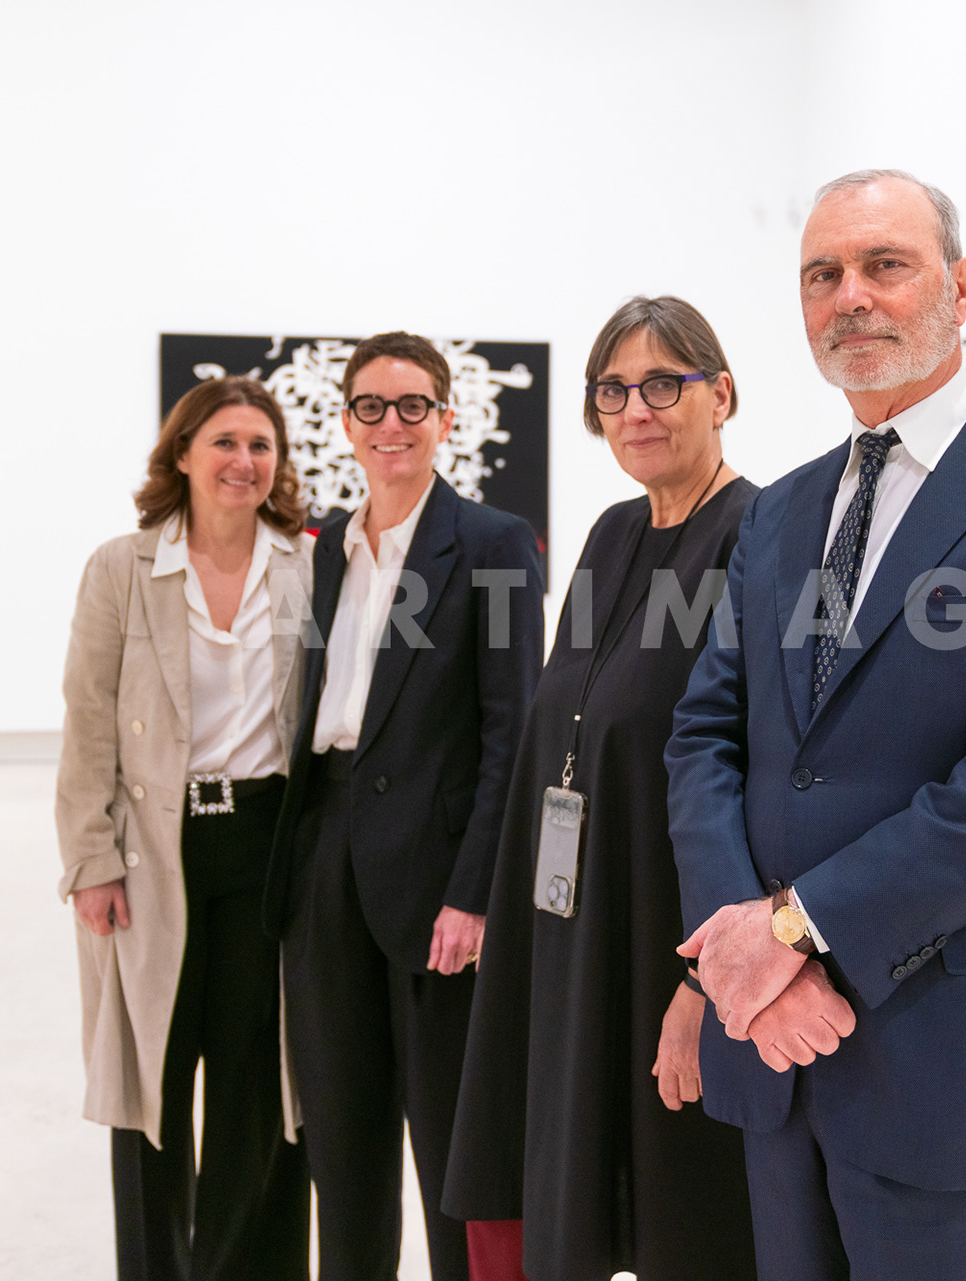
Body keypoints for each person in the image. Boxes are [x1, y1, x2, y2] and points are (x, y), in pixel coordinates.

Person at [666, 170, 966, 1280]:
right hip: (773, 1048)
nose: (851, 296)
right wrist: (742, 955)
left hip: (943, 1050)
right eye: (822, 274)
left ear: (960, 287)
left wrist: (794, 933)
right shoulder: (779, 511)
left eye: (886, 265)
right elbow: (705, 737)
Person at [446, 297, 760, 1280]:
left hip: (672, 925)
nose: (636, 410)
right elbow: (568, 725)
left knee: (683, 1209)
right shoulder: (612, 534)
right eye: (613, 390)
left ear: (721, 394)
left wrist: (701, 982)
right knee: (568, 1194)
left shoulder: (757, 535)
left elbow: (759, 779)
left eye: (664, 383)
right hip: (575, 923)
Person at [262, 331, 544, 1281]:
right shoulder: (329, 547)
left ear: (445, 420)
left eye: (414, 405)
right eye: (373, 407)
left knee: (450, 1153)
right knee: (341, 1147)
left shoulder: (494, 542)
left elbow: (513, 733)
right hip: (325, 854)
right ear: (346, 423)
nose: (393, 424)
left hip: (434, 877)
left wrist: (476, 894)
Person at [55, 376, 313, 1281]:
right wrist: (89, 858)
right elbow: (88, 719)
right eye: (225, 442)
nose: (244, 461)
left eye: (261, 445)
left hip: (267, 846)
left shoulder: (305, 567)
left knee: (257, 1083)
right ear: (183, 454)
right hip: (151, 851)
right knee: (151, 1087)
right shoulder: (122, 568)